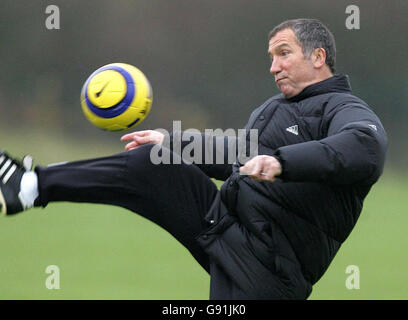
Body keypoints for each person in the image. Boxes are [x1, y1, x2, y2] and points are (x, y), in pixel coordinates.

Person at [0, 18, 387, 299]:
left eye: (284, 54)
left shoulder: (345, 109)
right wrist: (172, 142)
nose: (273, 67)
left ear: (318, 56)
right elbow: (238, 152)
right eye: (271, 57)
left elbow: (363, 149)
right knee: (152, 161)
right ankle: (28, 185)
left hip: (269, 272)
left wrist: (282, 161)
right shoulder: (275, 108)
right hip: (227, 228)